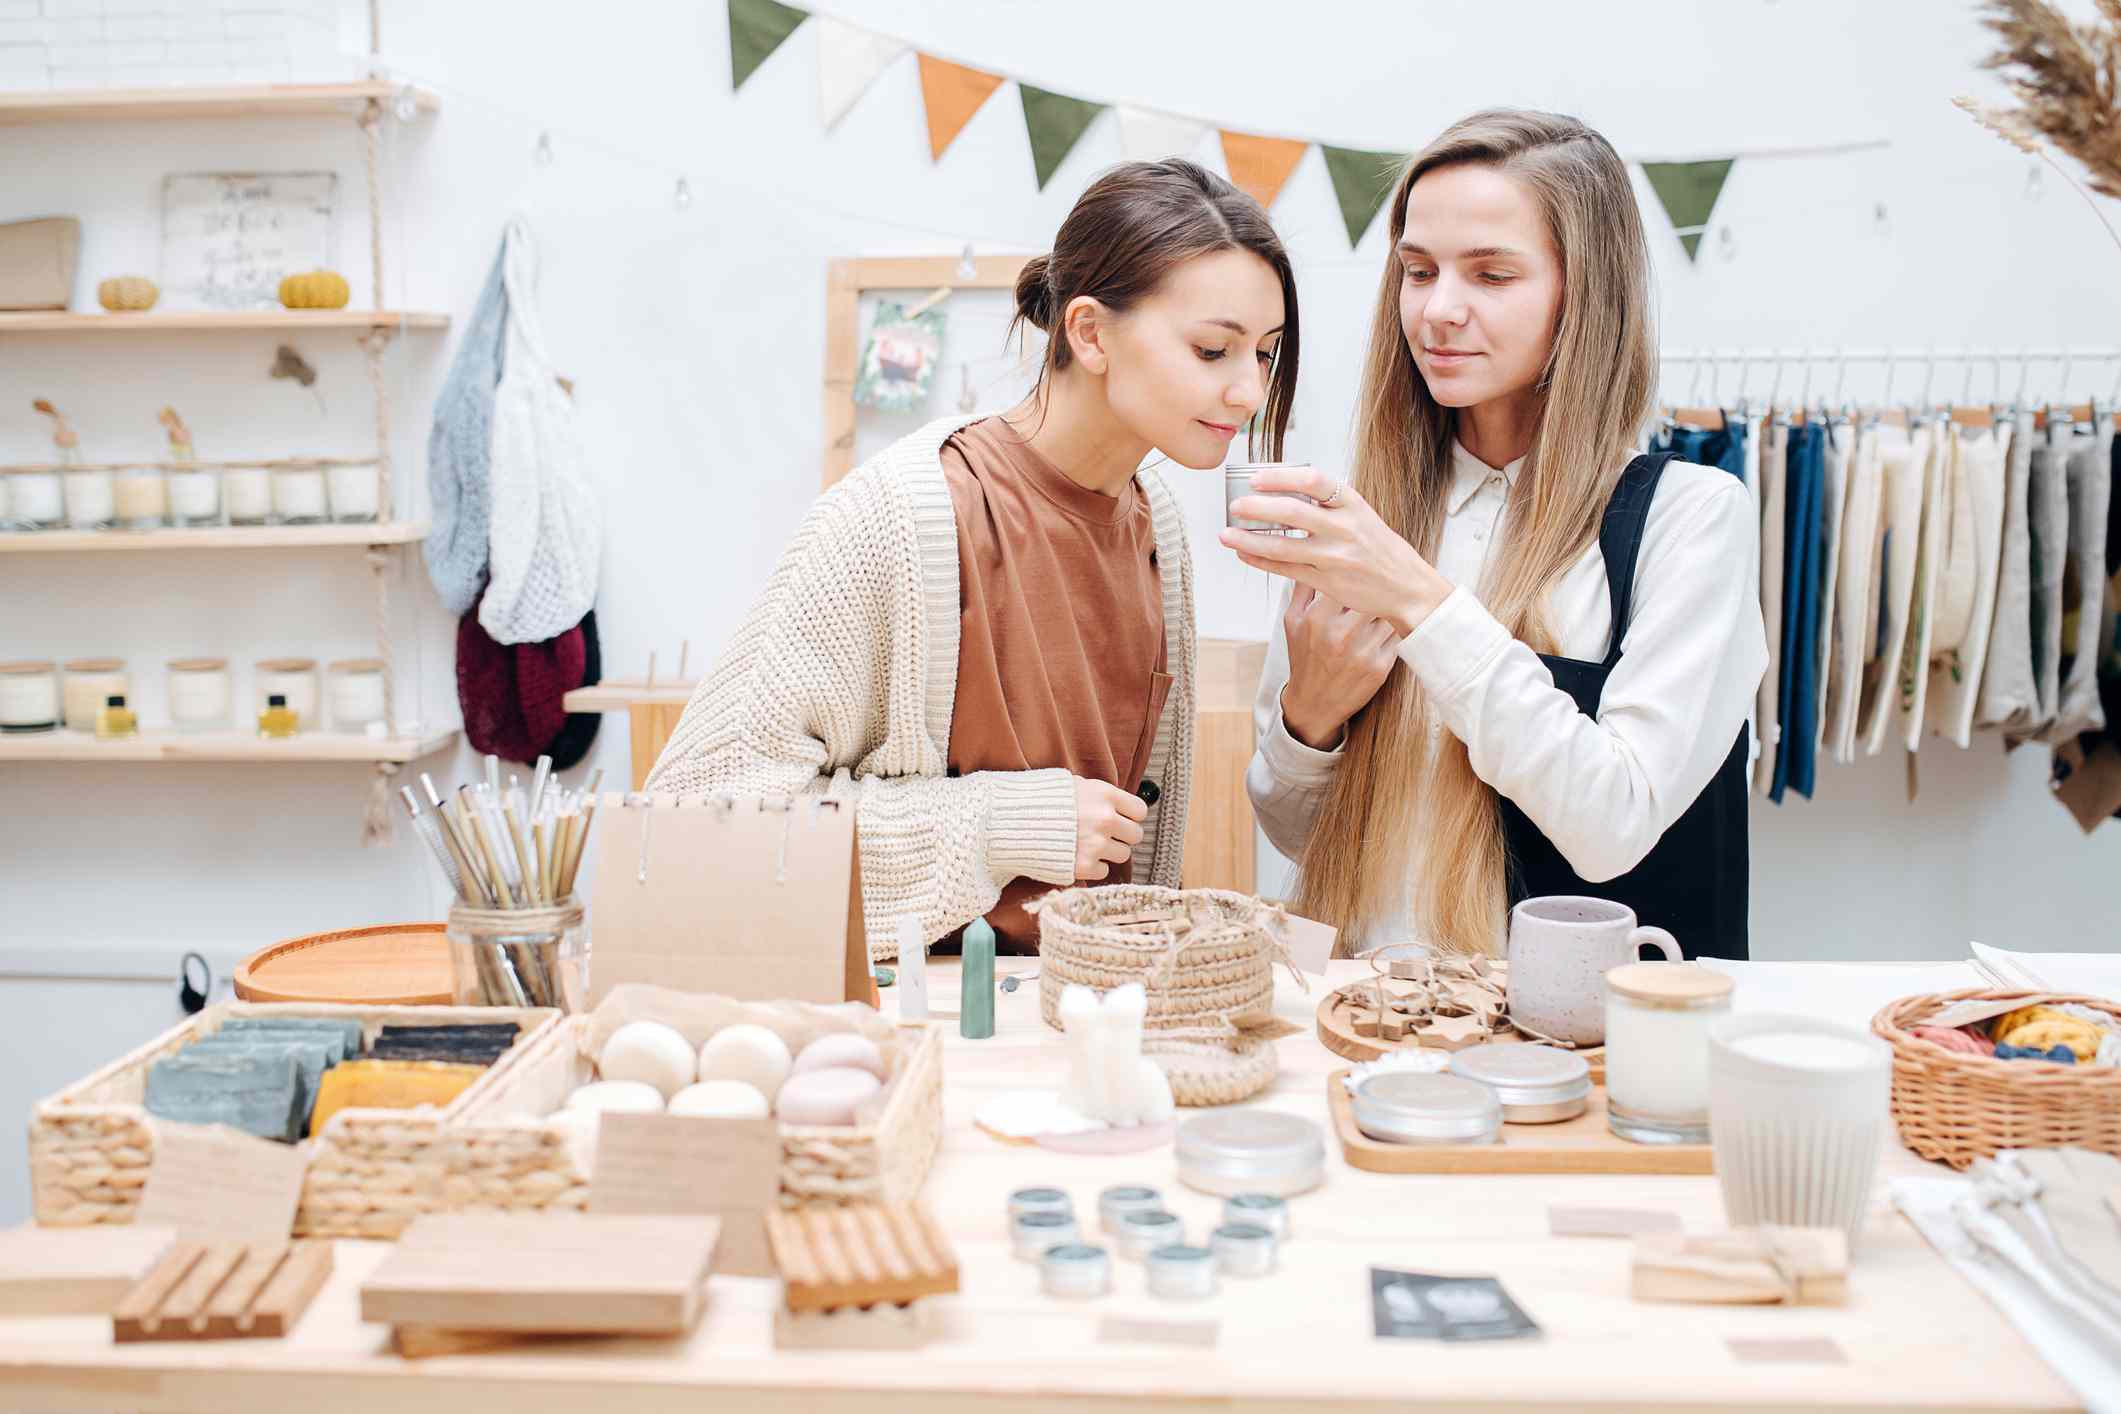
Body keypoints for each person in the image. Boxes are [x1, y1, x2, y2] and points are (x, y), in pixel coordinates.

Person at [649, 158, 1299, 957]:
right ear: (1089, 332)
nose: (1249, 392)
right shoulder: (897, 516)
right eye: (1212, 351)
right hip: (921, 1028)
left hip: (1080, 1015)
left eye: (1265, 354)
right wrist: (998, 825)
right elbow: (694, 820)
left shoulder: (1155, 519)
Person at [1230, 110, 1765, 960]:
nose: (1437, 310)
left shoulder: (1690, 516)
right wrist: (1312, 719)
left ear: (1583, 292)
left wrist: (1418, 602)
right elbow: (1300, 837)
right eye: (1417, 271)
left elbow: (1612, 824)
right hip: (1376, 1021)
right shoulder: (1364, 515)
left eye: (1489, 274)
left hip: (1585, 1048)